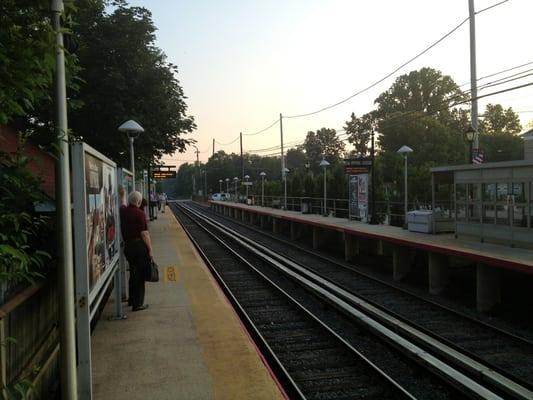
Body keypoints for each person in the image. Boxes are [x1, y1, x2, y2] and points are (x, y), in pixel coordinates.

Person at [121, 191, 153, 311]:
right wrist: (150, 249)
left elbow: (123, 203)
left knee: (133, 273)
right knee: (140, 275)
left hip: (128, 247)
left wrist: (122, 195)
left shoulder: (123, 211)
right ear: (139, 202)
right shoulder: (140, 213)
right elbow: (144, 233)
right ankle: (138, 304)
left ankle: (131, 300)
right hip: (138, 247)